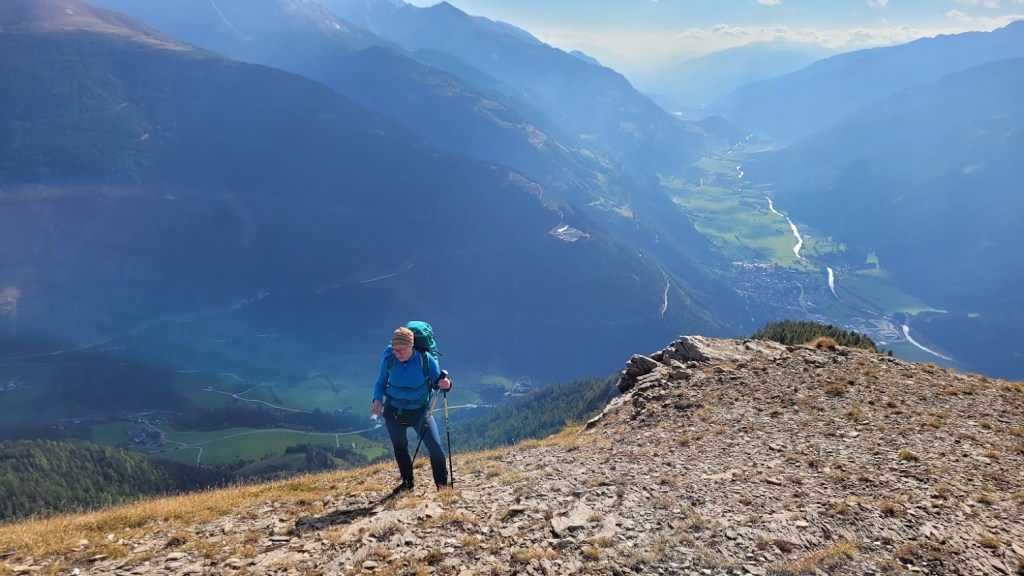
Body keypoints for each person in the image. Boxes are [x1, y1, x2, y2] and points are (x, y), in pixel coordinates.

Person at [371, 326, 452, 491]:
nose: (398, 353)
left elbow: (438, 382)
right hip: (394, 410)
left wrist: (447, 384)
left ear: (411, 345)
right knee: (400, 447)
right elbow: (380, 383)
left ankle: (442, 486)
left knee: (435, 447)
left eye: (402, 350)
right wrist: (377, 399)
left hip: (419, 411)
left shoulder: (425, 360)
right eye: (395, 349)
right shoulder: (389, 359)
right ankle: (407, 483)